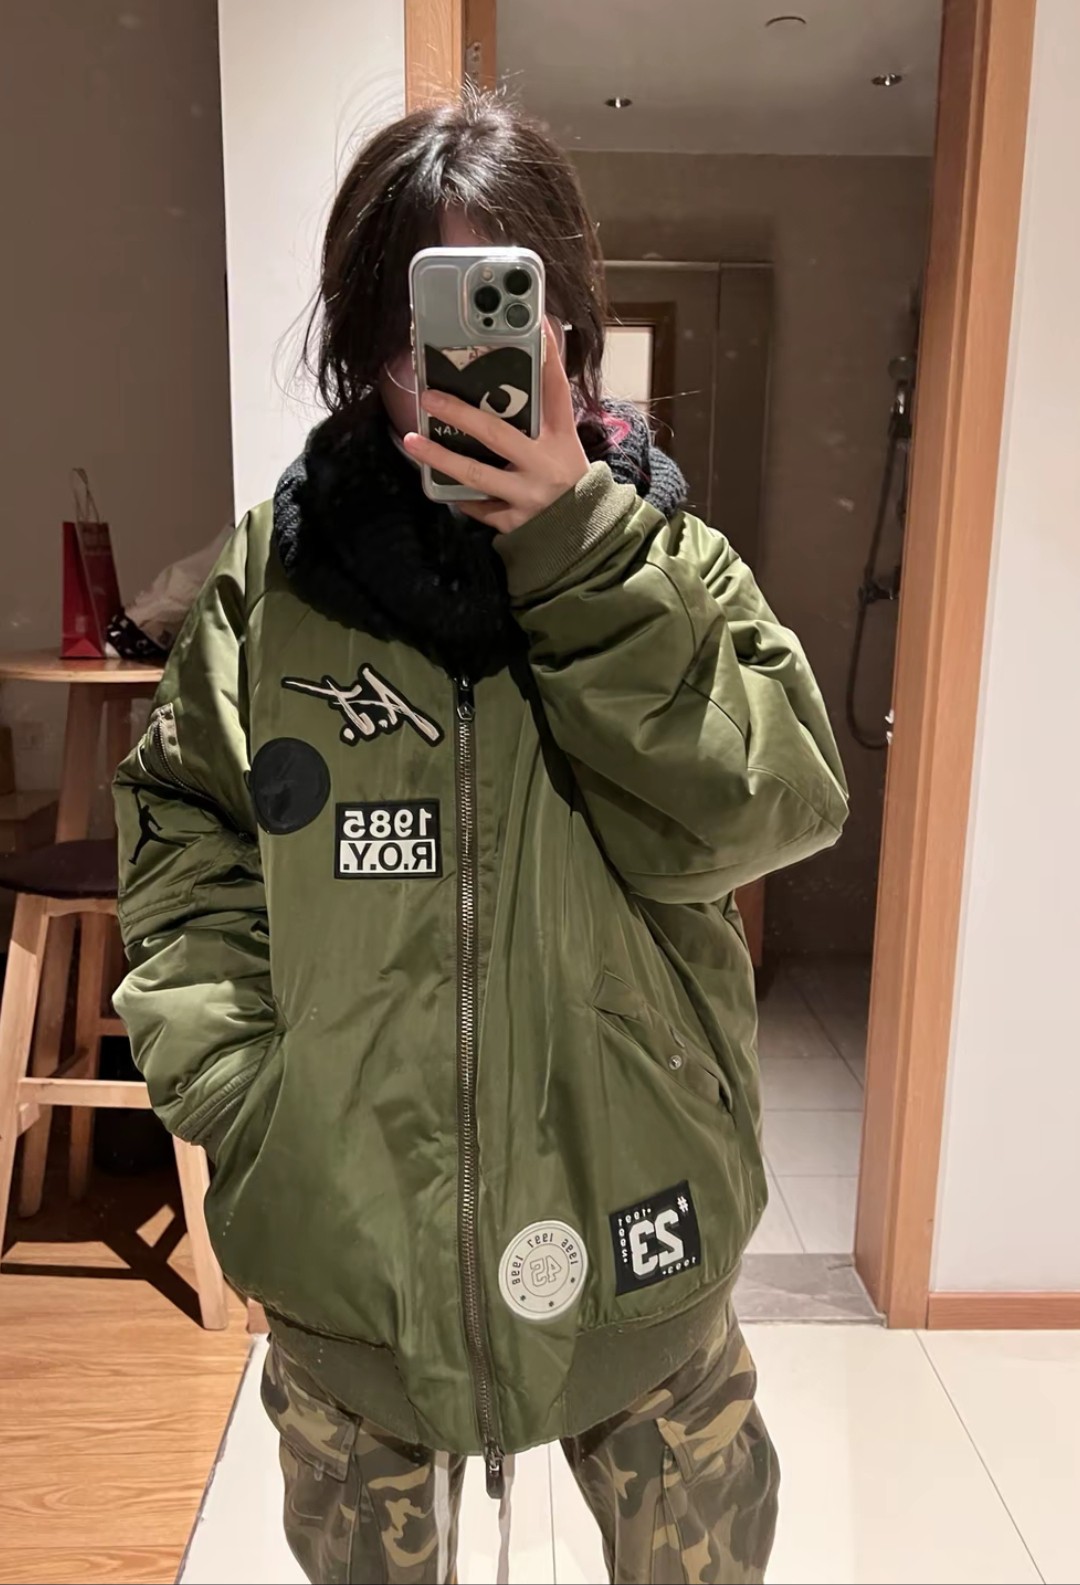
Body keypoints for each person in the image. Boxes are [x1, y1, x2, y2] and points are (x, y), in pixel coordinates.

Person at [114, 93, 847, 1585]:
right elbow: (183, 827)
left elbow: (773, 806)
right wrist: (249, 1092)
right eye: (418, 328)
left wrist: (578, 552)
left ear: (568, 330)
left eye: (501, 312)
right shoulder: (273, 590)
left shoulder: (668, 562)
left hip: (640, 1221)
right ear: (361, 345)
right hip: (350, 1257)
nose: (457, 371)